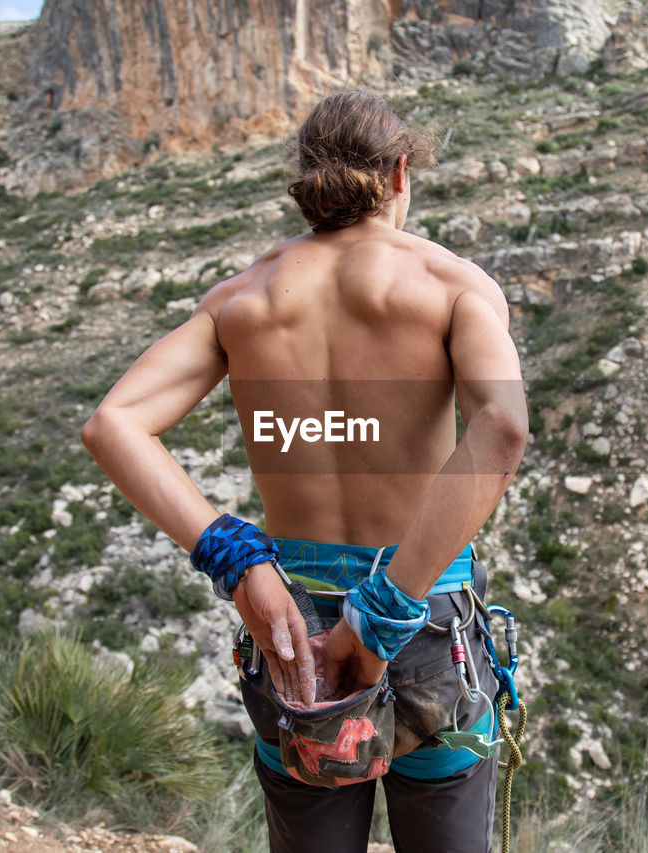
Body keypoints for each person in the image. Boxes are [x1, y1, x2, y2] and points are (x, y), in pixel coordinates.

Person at [81, 90, 528, 852]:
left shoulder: (242, 299)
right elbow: (503, 424)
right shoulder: (454, 285)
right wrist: (385, 606)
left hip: (295, 631)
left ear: (307, 180)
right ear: (398, 173)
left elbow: (111, 423)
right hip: (424, 626)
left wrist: (239, 560)